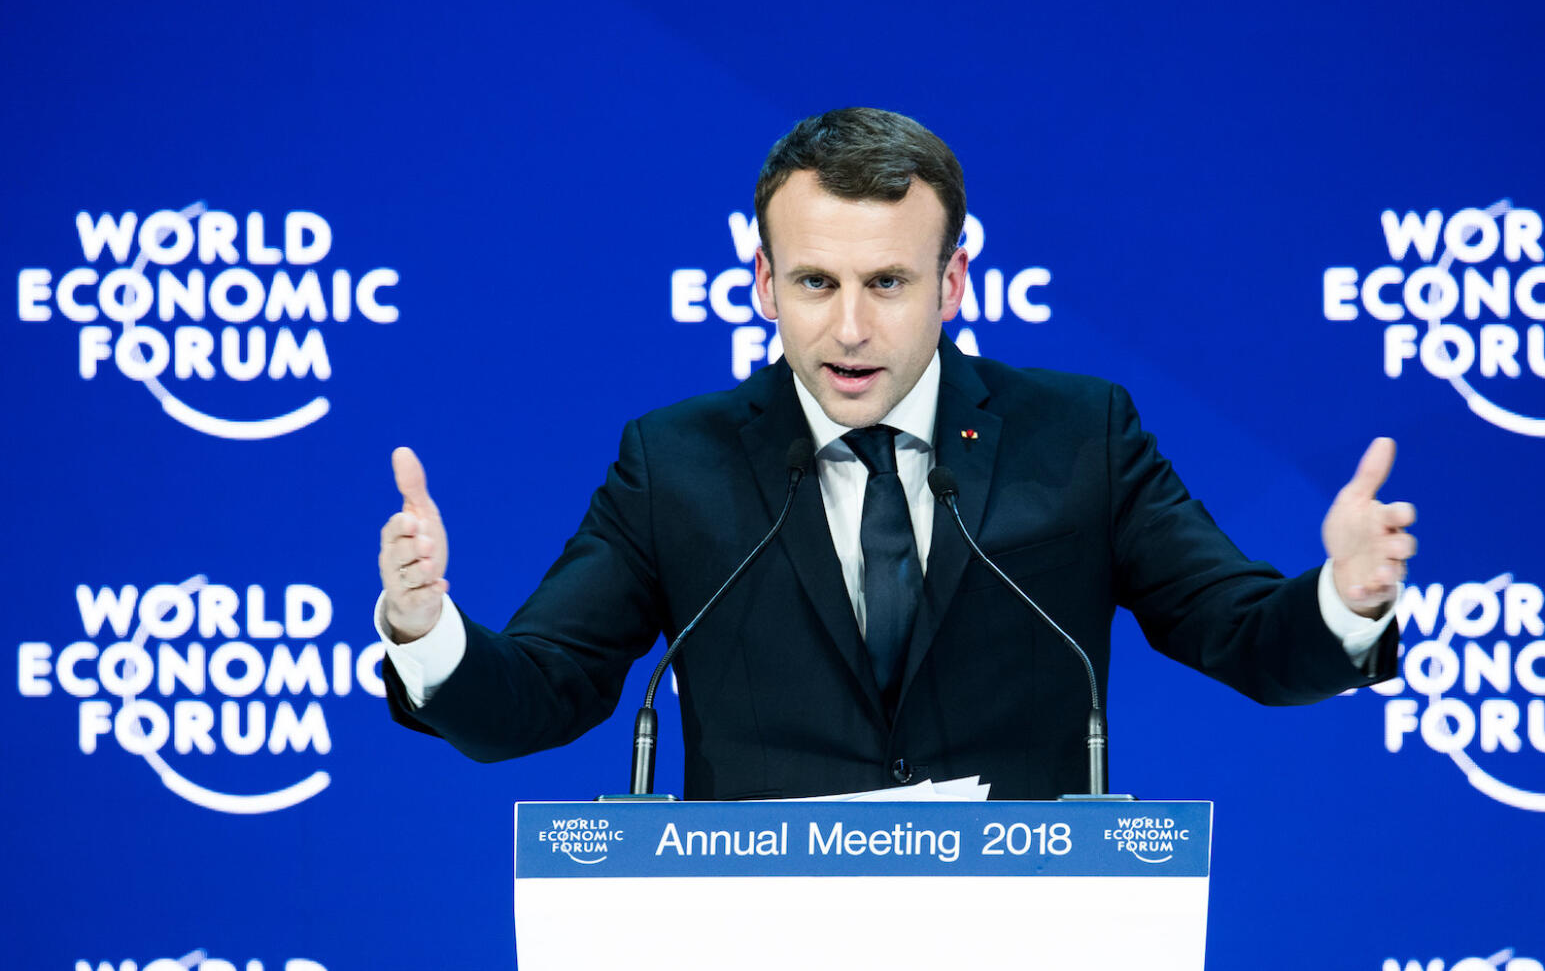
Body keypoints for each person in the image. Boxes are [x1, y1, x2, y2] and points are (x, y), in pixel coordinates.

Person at [375, 108, 1415, 800]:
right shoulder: (676, 461)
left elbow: (1242, 636)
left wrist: (1343, 599)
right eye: (815, 284)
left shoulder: (1079, 436)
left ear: (950, 285)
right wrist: (425, 631)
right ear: (763, 285)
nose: (850, 330)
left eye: (887, 283)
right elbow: (540, 693)